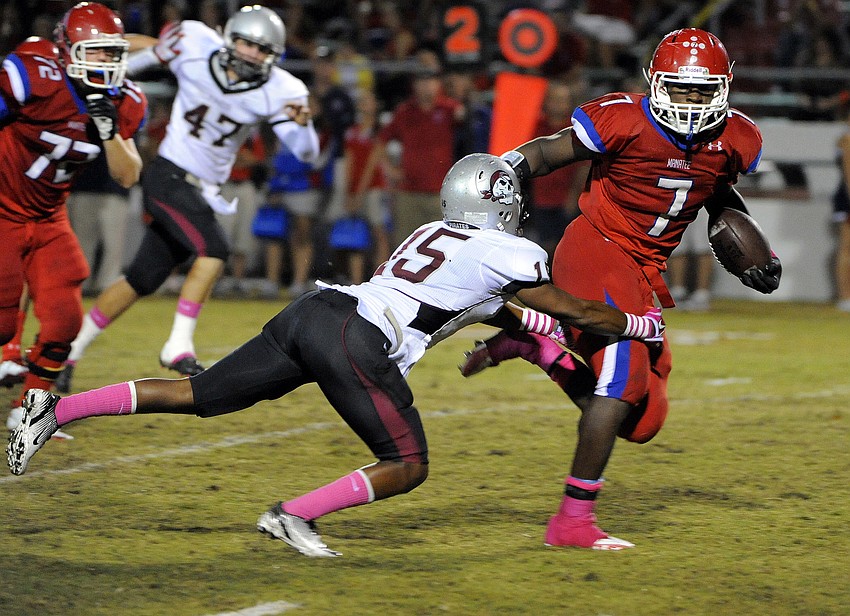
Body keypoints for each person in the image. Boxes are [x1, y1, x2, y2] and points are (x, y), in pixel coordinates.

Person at [8, 153, 665, 559]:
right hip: (355, 337)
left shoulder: (431, 234)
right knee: (407, 464)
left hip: (313, 313)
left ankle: (56, 409)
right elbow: (571, 311)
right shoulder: (507, 250)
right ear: (502, 205)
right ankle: (293, 515)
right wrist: (639, 323)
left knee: (199, 395)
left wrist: (507, 346)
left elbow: (495, 309)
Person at [460, 29, 782, 550]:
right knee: (624, 377)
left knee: (645, 420)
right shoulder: (623, 118)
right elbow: (547, 153)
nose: (692, 104)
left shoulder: (735, 140)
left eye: (702, 92)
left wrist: (748, 245)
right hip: (596, 248)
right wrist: (501, 174)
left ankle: (535, 345)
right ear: (656, 84)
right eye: (681, 90)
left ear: (724, 89)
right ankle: (572, 521)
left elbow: (717, 189)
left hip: (643, 272)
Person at [55, 5, 320, 392]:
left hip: (203, 190)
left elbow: (307, 152)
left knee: (140, 280)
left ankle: (71, 351)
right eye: (244, 42)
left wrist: (303, 126)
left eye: (260, 49)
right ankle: (177, 346)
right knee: (214, 249)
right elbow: (144, 59)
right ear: (228, 38)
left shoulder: (284, 89)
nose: (249, 53)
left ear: (274, 56)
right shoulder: (195, 42)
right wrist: (102, 77)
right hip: (168, 174)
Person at [0, 10, 146, 433]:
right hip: (4, 207)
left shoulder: (124, 100)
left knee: (65, 319)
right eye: (95, 51)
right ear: (67, 51)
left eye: (112, 53)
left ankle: (29, 411)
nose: (105, 61)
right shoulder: (34, 73)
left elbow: (128, 173)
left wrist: (109, 131)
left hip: (47, 217)